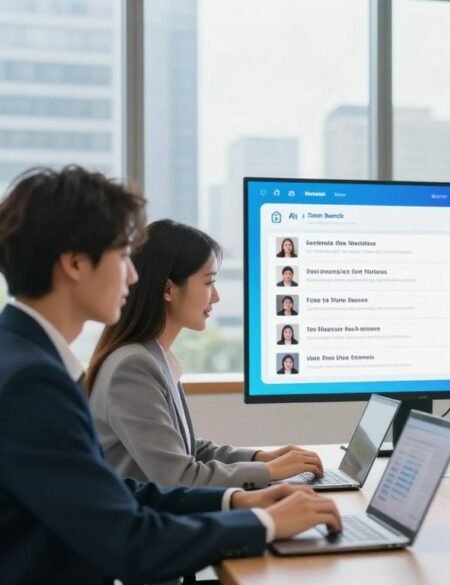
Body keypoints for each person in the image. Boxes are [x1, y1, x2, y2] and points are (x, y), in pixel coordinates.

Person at [0, 166, 340, 584]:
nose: (133, 275)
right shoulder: (31, 381)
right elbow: (129, 541)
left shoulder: (26, 359)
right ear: (74, 263)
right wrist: (265, 524)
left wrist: (238, 502)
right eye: (123, 256)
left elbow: (111, 493)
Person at [87, 220, 324, 489]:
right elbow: (180, 476)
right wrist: (269, 471)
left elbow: (190, 451)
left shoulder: (152, 357)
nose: (217, 297)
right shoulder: (133, 366)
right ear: (168, 289)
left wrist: (262, 458)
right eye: (209, 282)